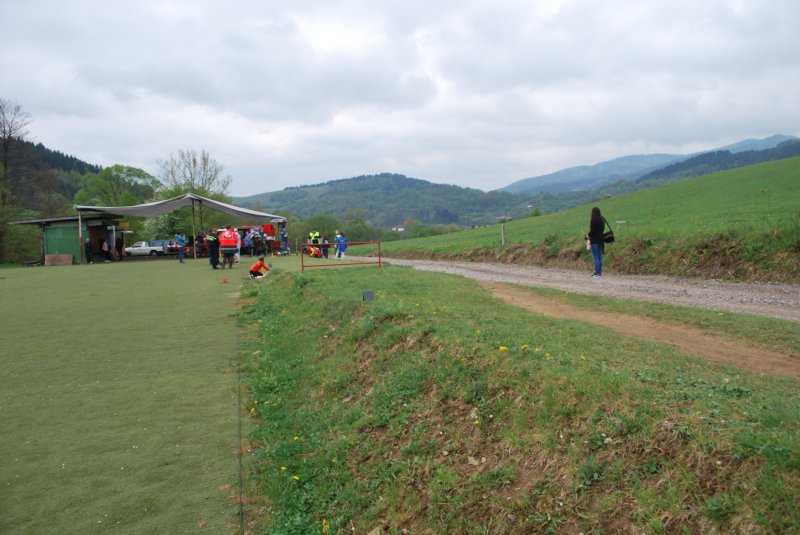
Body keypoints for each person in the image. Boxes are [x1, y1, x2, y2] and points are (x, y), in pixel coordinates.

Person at [585, 206, 607, 278]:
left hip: (594, 241)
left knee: (595, 257)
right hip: (601, 240)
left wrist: (587, 235)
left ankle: (597, 273)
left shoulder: (593, 219)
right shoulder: (602, 219)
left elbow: (592, 231)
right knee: (600, 257)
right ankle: (599, 273)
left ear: (593, 212)